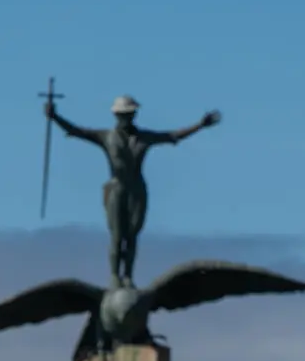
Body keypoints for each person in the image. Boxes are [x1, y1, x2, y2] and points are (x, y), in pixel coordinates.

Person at [46, 93, 221, 286]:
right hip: (116, 188)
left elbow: (172, 136)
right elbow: (76, 131)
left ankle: (128, 275)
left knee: (132, 234)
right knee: (117, 234)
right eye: (122, 114)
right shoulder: (106, 137)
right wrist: (55, 117)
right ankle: (114, 276)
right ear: (116, 115)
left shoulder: (144, 137)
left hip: (136, 190)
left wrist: (199, 125)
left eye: (129, 114)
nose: (126, 118)